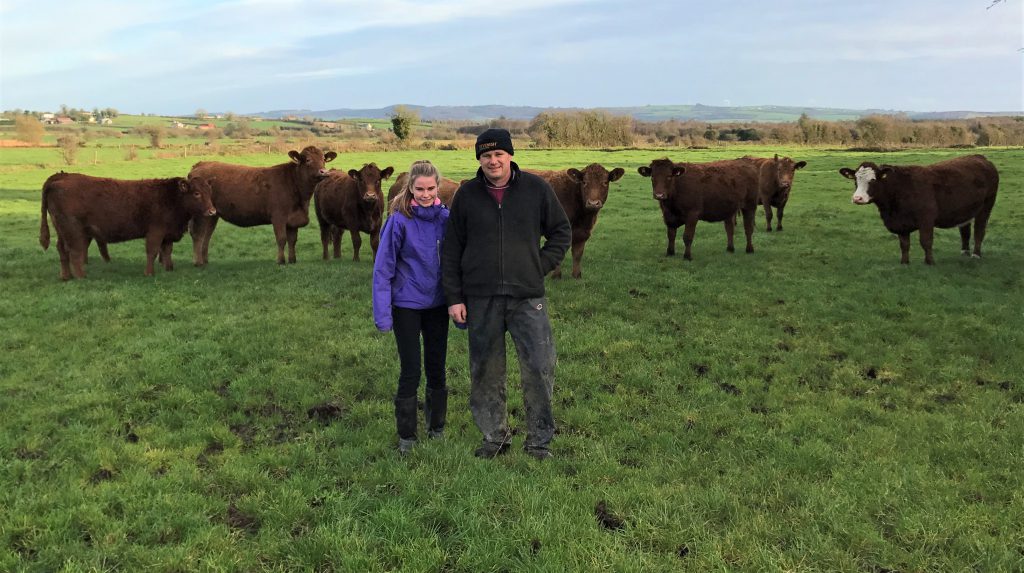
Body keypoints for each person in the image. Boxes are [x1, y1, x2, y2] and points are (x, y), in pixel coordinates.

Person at [442, 128, 571, 460]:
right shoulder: (467, 195)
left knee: (539, 367)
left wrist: (538, 265)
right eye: (486, 155)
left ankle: (539, 441)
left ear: (510, 155)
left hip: (527, 296)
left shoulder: (536, 189)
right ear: (479, 160)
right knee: (485, 369)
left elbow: (561, 230)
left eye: (498, 154)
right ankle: (494, 437)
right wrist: (455, 297)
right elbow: (452, 248)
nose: (493, 160)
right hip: (480, 297)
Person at [373, 160, 450, 454]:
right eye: (420, 189)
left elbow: (455, 263)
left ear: (437, 187)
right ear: (410, 188)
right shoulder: (398, 221)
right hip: (406, 305)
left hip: (437, 305)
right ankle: (407, 436)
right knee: (411, 369)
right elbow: (383, 269)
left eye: (431, 188)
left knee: (437, 367)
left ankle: (437, 428)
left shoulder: (446, 219)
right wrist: (382, 313)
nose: (426, 194)